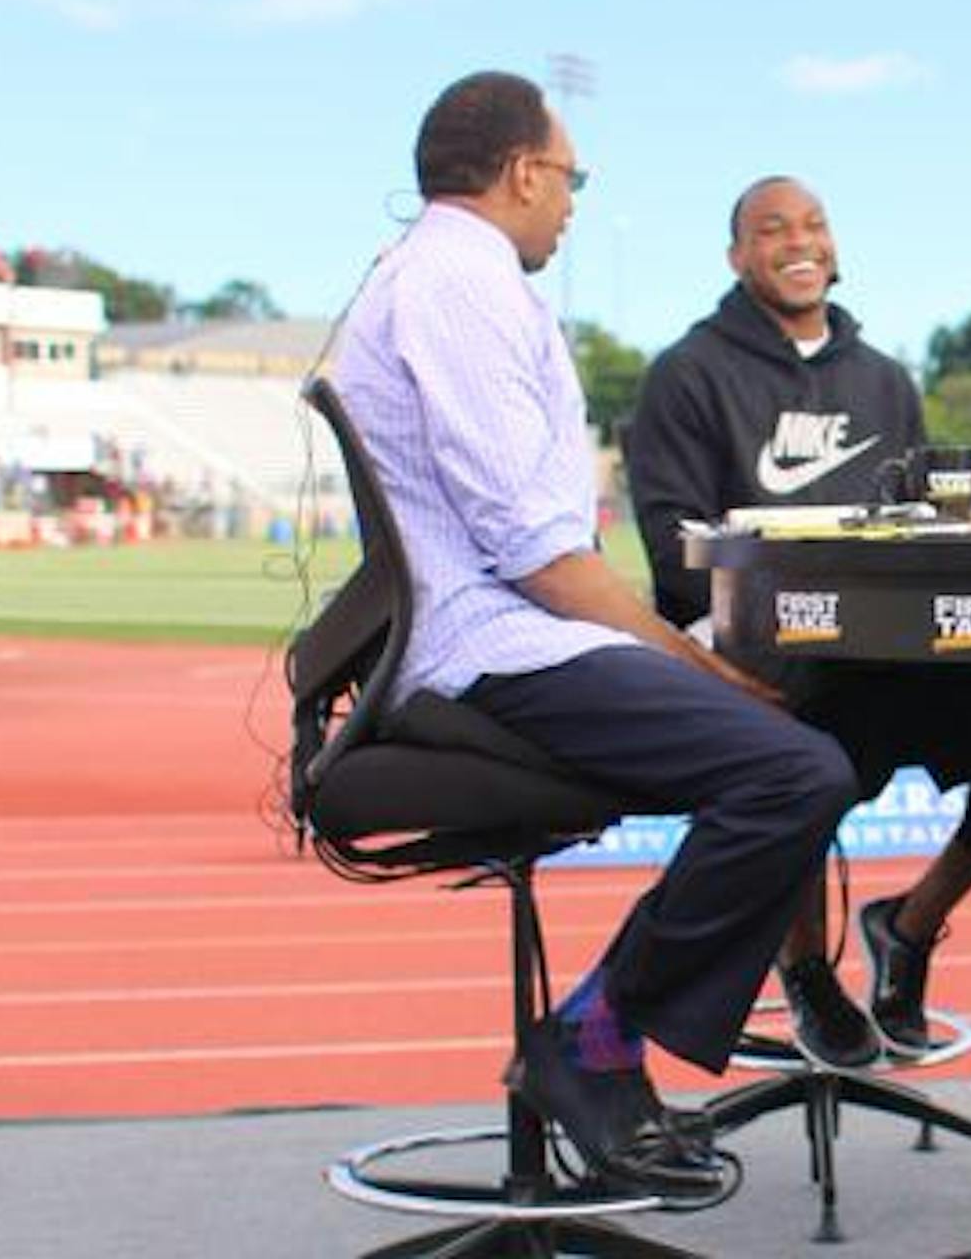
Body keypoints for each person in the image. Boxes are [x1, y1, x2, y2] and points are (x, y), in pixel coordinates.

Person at [330, 73, 861, 1193]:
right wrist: (700, 666)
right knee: (795, 771)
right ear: (525, 172)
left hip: (505, 630)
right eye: (572, 179)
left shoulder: (444, 274)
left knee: (799, 750)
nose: (572, 206)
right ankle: (592, 1043)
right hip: (491, 645)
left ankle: (601, 1038)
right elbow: (540, 556)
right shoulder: (459, 283)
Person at [623, 175, 971, 1066]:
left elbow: (923, 525)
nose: (799, 241)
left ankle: (909, 927)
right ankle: (805, 971)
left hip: (893, 650)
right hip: (760, 652)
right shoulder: (687, 372)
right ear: (737, 256)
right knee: (802, 742)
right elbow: (673, 549)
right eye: (772, 228)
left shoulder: (885, 381)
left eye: (814, 224)